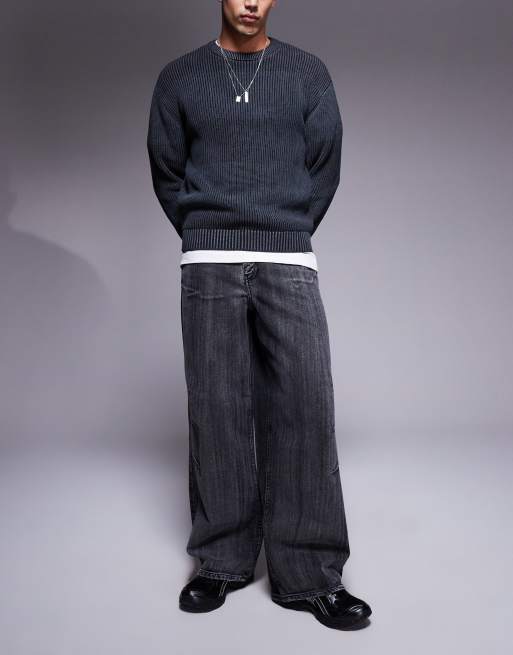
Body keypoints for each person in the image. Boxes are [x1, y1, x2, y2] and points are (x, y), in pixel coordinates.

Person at [146, 0, 372, 630]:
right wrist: (203, 230)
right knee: (216, 406)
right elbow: (166, 169)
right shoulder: (179, 77)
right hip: (209, 260)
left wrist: (287, 228)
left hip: (286, 257)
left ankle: (310, 575)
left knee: (305, 406)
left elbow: (324, 166)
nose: (251, 2)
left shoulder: (307, 73)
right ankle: (221, 561)